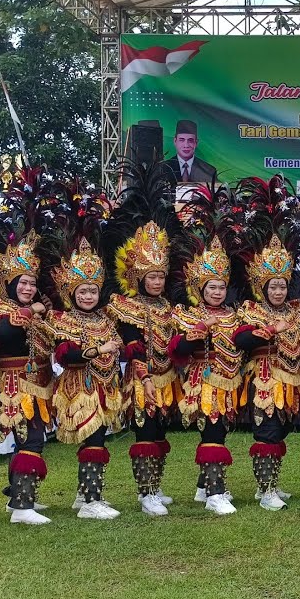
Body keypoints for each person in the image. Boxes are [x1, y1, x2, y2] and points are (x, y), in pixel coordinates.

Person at [231, 177, 300, 511]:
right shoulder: (250, 309)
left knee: (284, 428)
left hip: (293, 379)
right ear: (262, 286)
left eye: (282, 285)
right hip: (264, 377)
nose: (278, 291)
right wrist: (267, 331)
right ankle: (266, 491)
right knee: (268, 432)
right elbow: (240, 339)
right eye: (272, 286)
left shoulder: (295, 310)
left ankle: (273, 483)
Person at [0, 181, 55, 526]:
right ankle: (23, 506)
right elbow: (2, 333)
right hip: (13, 383)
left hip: (39, 382)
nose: (27, 288)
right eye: (21, 283)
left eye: (31, 283)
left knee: (29, 437)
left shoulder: (42, 311)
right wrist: (31, 312)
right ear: (9, 285)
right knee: (31, 439)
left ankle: (18, 499)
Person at [46, 231, 125, 521]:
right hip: (80, 389)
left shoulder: (105, 319)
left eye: (92, 290)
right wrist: (99, 349)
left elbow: (117, 347)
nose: (88, 296)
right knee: (93, 442)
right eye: (82, 292)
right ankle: (92, 500)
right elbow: (64, 354)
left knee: (98, 439)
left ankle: (84, 495)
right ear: (71, 293)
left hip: (106, 387)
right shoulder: (63, 319)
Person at [107, 213, 182, 518]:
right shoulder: (125, 307)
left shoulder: (169, 307)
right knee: (145, 433)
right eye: (151, 276)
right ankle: (145, 493)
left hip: (167, 378)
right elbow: (131, 347)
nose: (157, 281)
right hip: (142, 380)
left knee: (161, 433)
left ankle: (156, 486)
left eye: (160, 276)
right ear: (138, 277)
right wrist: (145, 376)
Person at [171, 235, 243, 516]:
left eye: (221, 287)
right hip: (204, 382)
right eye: (212, 287)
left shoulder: (235, 315)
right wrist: (203, 326)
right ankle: (215, 493)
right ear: (200, 288)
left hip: (230, 382)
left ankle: (204, 487)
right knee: (212, 430)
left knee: (220, 431)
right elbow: (177, 349)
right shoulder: (188, 315)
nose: (217, 292)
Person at [172, 119, 217, 185]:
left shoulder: (209, 171)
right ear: (175, 141)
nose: (186, 145)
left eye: (190, 140)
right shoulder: (162, 168)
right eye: (182, 140)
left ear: (196, 143)